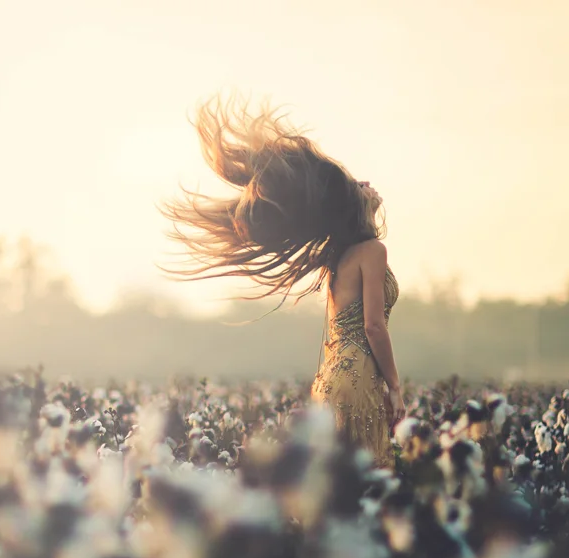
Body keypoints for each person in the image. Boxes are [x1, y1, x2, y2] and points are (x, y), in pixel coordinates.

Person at [157, 92, 406, 468]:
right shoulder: (373, 252)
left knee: (333, 483)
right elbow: (373, 325)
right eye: (360, 184)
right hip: (359, 378)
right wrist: (396, 386)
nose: (368, 183)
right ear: (356, 205)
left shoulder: (336, 258)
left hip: (328, 380)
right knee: (368, 479)